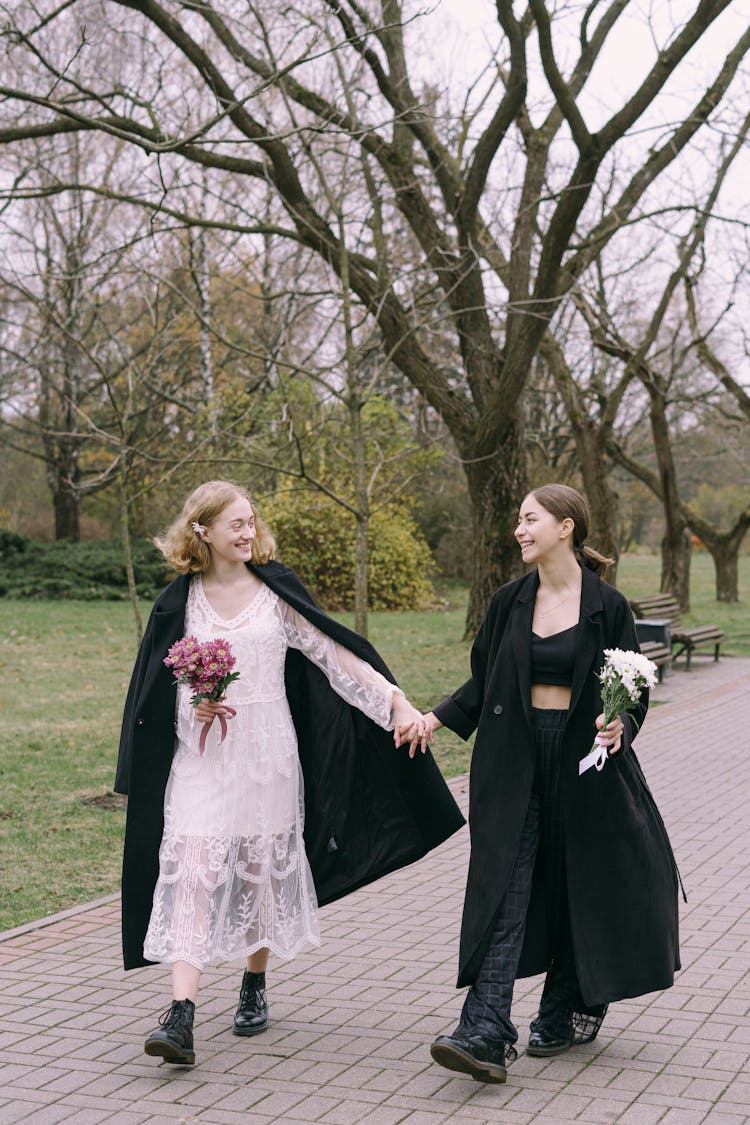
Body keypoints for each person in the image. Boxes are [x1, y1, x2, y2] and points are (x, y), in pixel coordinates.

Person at [115, 480, 464, 1066]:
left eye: (251, 521)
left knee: (257, 871)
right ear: (202, 531)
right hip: (202, 757)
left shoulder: (275, 593)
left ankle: (254, 983)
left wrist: (395, 702)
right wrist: (192, 705)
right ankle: (181, 1014)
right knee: (194, 865)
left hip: (266, 754)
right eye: (236, 525)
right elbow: (158, 690)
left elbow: (336, 654)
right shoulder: (179, 602)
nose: (248, 533)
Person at [422, 484, 681, 1084]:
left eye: (530, 519)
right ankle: (485, 1028)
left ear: (566, 527)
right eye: (517, 519)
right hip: (513, 760)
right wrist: (433, 720)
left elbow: (633, 684)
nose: (519, 528)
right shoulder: (509, 601)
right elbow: (482, 682)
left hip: (584, 763)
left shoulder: (607, 605)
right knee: (506, 884)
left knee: (577, 880)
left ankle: (566, 1004)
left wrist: (622, 723)